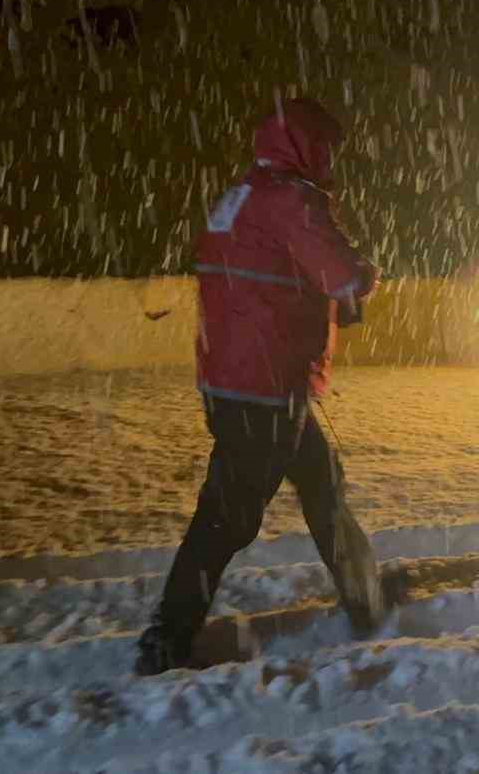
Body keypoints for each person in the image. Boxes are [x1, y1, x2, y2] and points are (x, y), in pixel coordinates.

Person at [137, 96, 386, 676]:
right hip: (268, 389)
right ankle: (166, 640)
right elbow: (342, 273)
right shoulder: (293, 202)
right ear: (305, 145)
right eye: (324, 146)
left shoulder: (239, 195)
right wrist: (366, 275)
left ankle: (364, 596)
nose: (329, 158)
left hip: (230, 379)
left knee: (323, 484)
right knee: (226, 517)